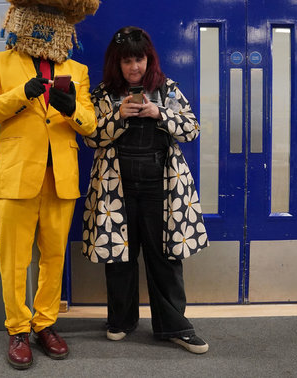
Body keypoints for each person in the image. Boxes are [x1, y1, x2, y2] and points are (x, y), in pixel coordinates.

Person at [0, 0, 99, 370]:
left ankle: (45, 324)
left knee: (54, 257)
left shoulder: (76, 70)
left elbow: (91, 124)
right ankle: (17, 330)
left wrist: (71, 109)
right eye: (42, 14)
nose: (48, 22)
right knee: (13, 259)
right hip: (16, 178)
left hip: (61, 179)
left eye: (55, 15)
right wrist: (19, 96)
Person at [82, 27, 210, 354]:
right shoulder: (102, 94)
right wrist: (117, 116)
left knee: (165, 256)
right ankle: (121, 321)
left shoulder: (166, 90)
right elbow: (90, 137)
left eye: (139, 59)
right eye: (127, 61)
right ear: (117, 62)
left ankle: (174, 327)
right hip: (116, 188)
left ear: (148, 58)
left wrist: (159, 113)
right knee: (120, 257)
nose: (134, 67)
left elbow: (192, 130)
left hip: (161, 188)